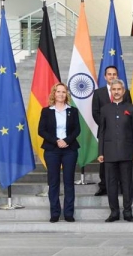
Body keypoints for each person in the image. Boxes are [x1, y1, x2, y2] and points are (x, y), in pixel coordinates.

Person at [97, 79, 133, 222]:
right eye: (113, 89)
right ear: (111, 91)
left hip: (126, 151)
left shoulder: (131, 108)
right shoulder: (104, 109)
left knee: (127, 183)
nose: (116, 92)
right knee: (111, 183)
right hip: (109, 152)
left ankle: (127, 211)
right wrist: (100, 152)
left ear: (123, 91)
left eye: (119, 89)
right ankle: (114, 212)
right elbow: (101, 132)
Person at [38, 83, 80, 223]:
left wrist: (66, 140)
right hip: (52, 150)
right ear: (54, 94)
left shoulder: (72, 111)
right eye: (58, 91)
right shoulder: (46, 111)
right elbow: (41, 130)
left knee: (69, 182)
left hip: (69, 149)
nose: (61, 94)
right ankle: (55, 212)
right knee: (53, 182)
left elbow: (77, 130)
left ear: (66, 94)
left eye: (63, 92)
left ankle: (68, 213)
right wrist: (57, 141)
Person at [92, 65, 132, 197]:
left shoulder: (124, 92)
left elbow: (129, 111)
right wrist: (107, 126)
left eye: (114, 74)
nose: (112, 76)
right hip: (105, 133)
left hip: (122, 134)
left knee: (121, 162)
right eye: (109, 74)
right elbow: (95, 112)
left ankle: (121, 186)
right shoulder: (98, 93)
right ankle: (103, 186)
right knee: (105, 163)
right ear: (105, 77)